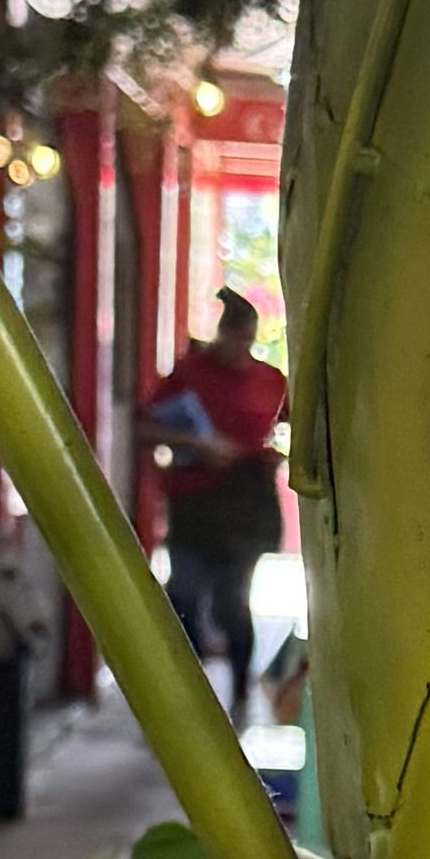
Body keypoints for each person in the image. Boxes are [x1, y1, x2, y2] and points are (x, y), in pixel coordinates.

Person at [147, 285, 288, 716]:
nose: (240, 348)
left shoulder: (271, 380)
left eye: (248, 340)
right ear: (222, 333)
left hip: (246, 504)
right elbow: (146, 426)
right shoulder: (190, 373)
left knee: (233, 602)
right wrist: (197, 443)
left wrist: (278, 454)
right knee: (184, 595)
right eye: (234, 338)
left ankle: (241, 691)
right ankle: (190, 690)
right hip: (194, 502)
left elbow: (301, 427)